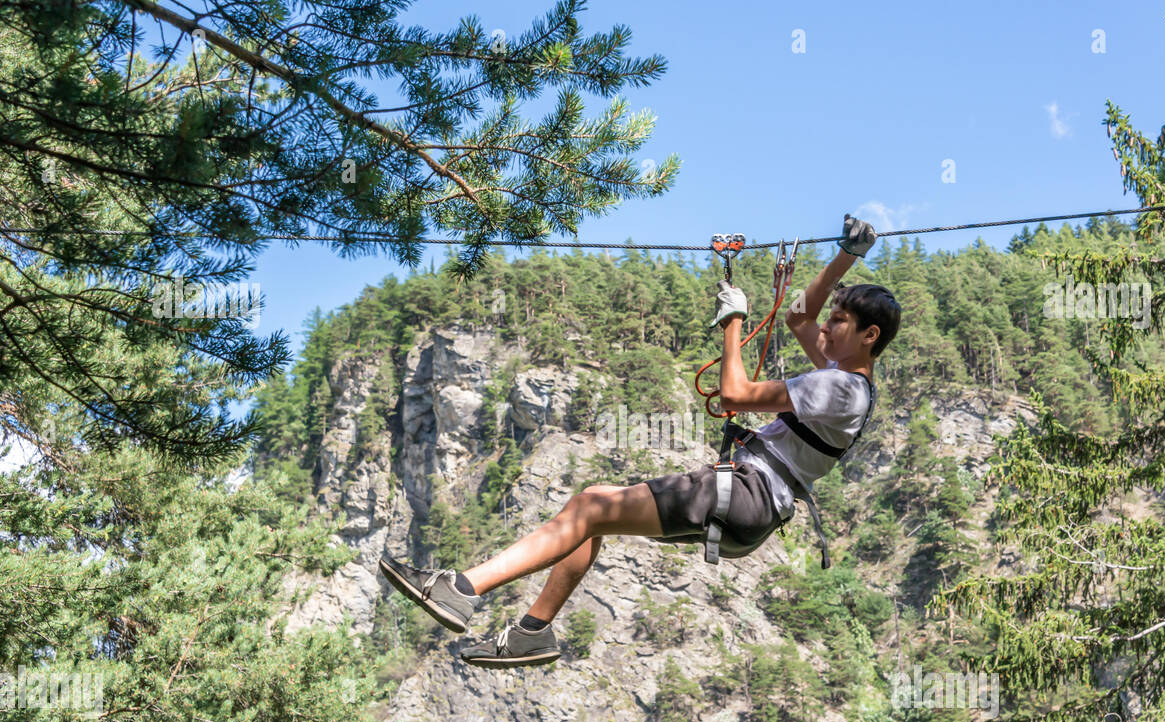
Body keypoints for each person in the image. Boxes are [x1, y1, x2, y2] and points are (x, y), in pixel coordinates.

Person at [379, 214, 902, 669]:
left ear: (869, 336)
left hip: (746, 494)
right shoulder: (848, 384)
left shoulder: (840, 389)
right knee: (593, 509)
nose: (826, 328)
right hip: (749, 506)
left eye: (841, 321)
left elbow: (735, 392)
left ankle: (461, 589)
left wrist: (734, 319)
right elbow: (798, 318)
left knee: (589, 507)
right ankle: (532, 632)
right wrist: (845, 258)